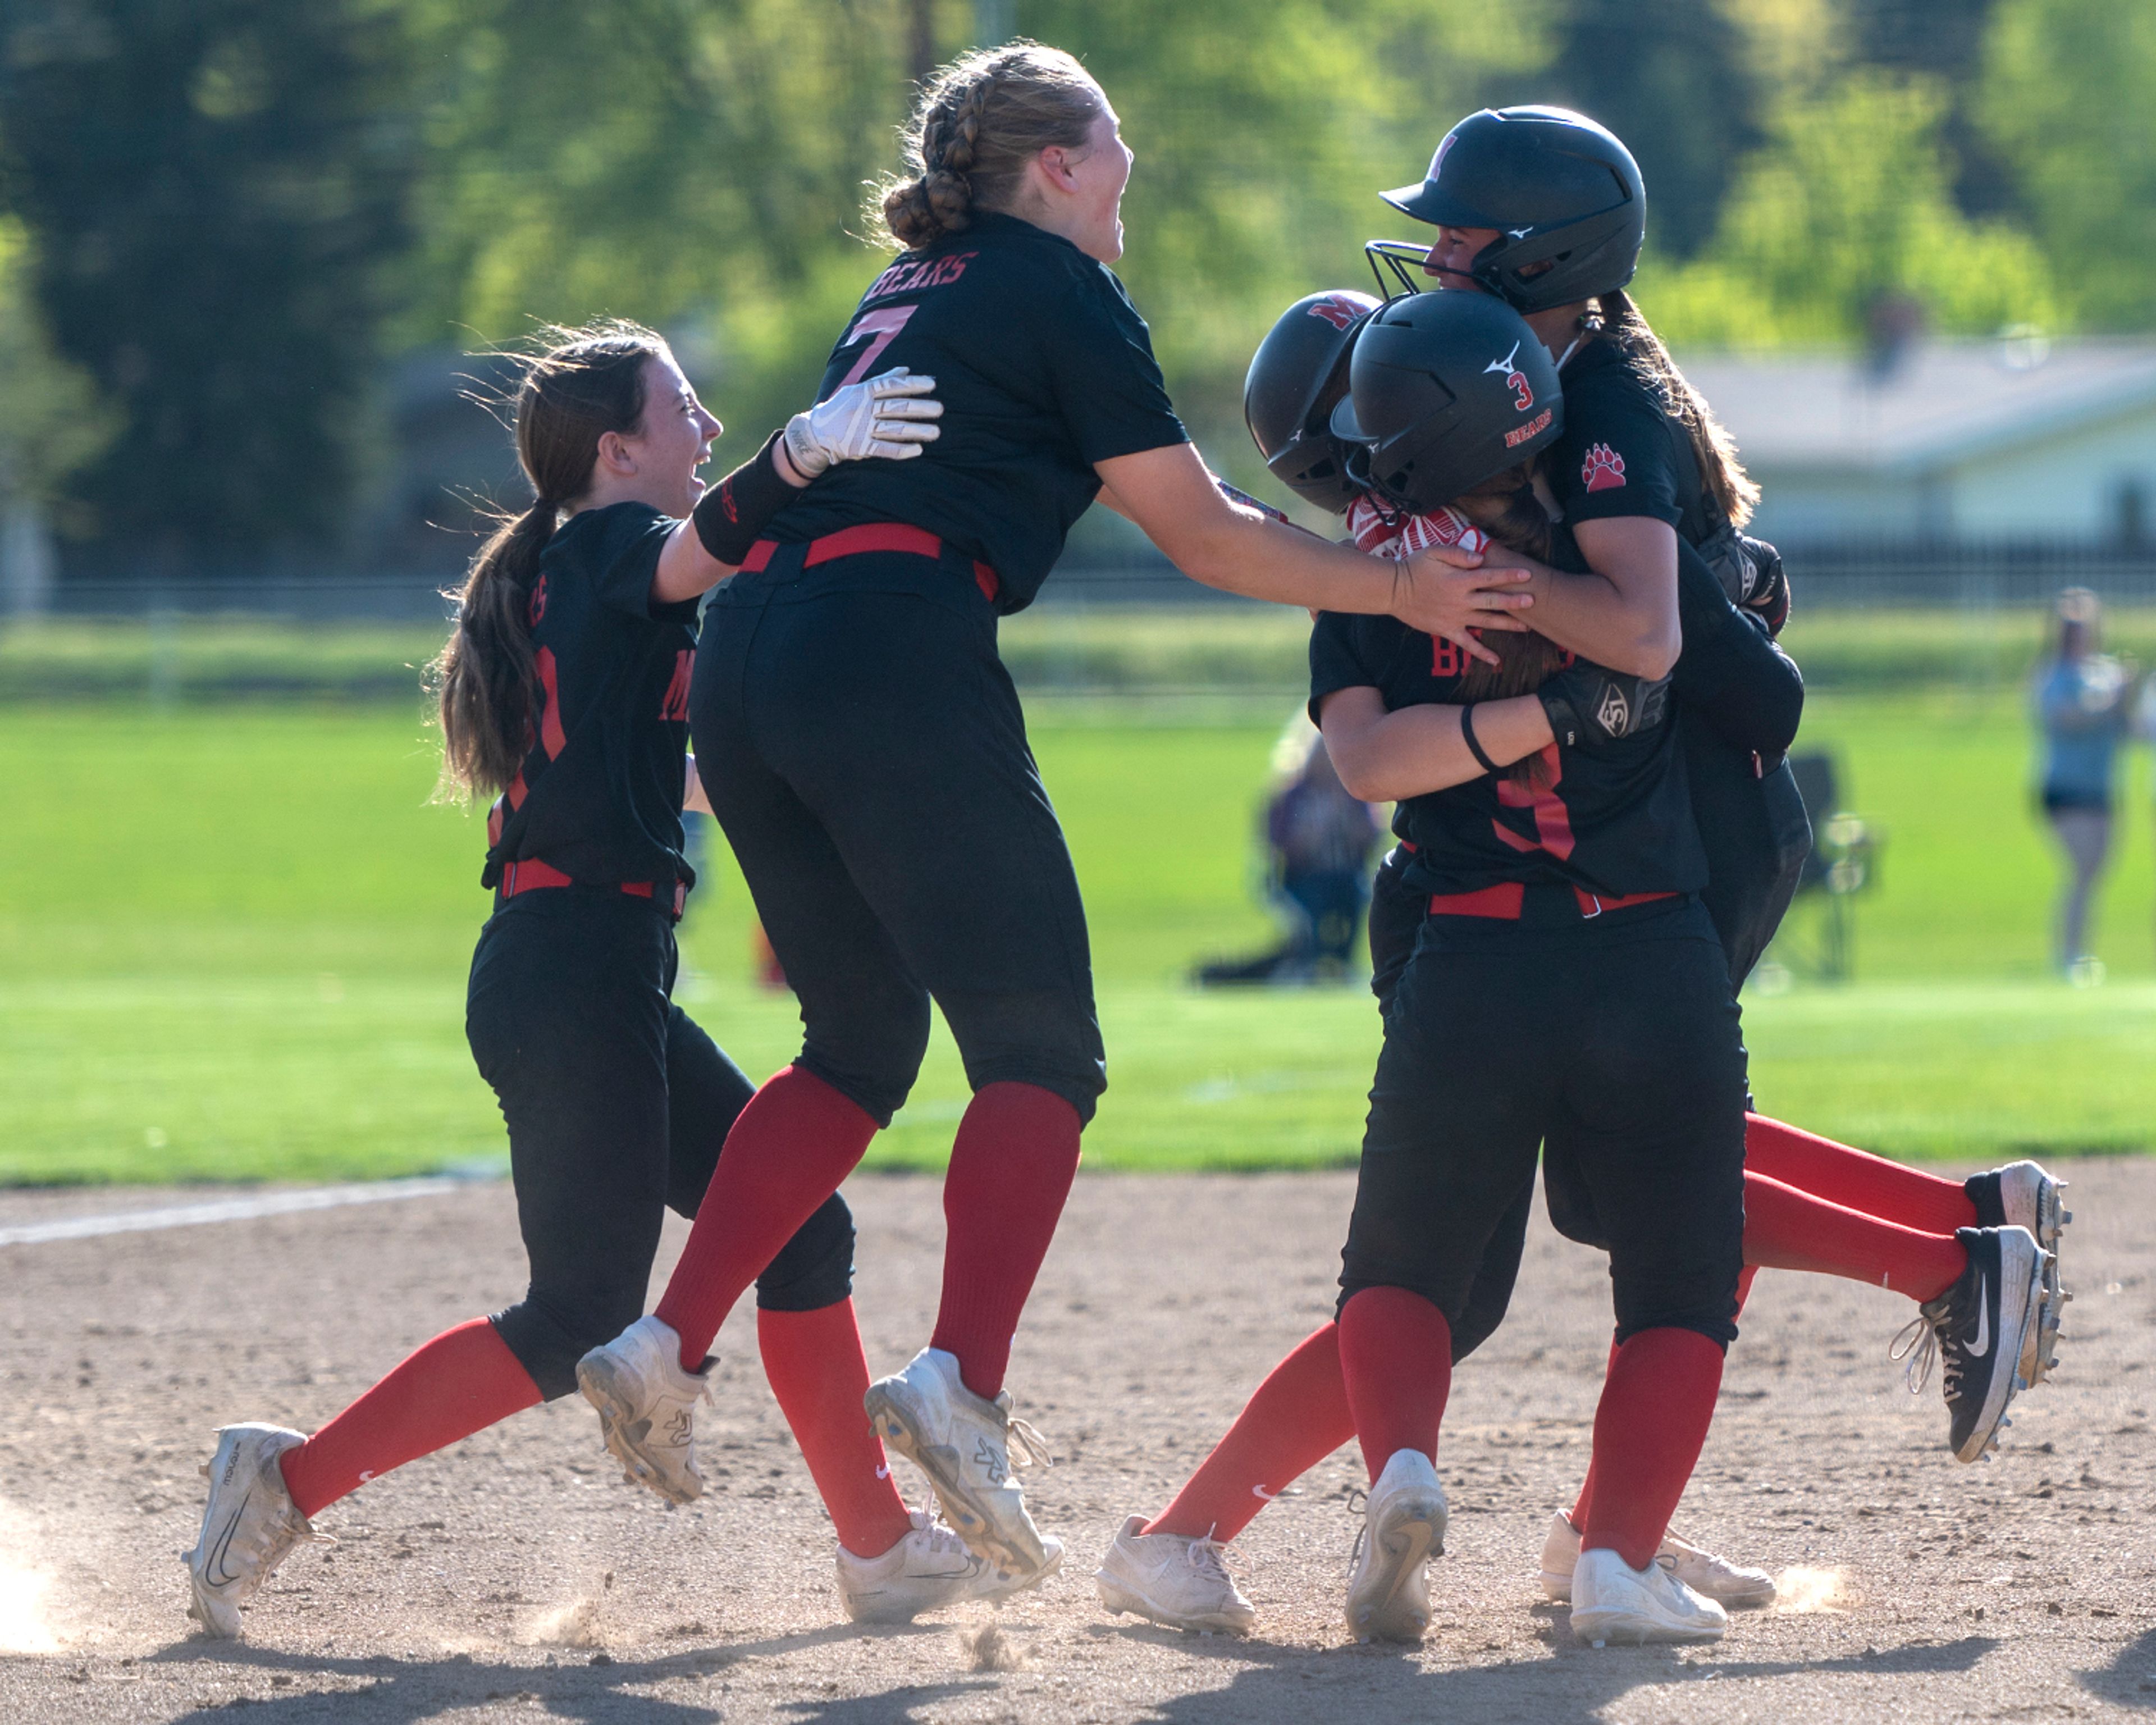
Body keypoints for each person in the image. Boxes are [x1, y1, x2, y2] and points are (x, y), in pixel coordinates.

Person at [569, 42, 1540, 1595]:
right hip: (892, 651)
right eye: (1111, 150)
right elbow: (1207, 538)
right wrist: (1400, 585)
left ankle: (662, 1344)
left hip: (751, 662)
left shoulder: (913, 289)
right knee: (1044, 1052)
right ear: (1057, 167)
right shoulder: (1056, 288)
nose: (1127, 177)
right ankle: (957, 1380)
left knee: (857, 1047)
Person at [1093, 290, 2056, 1646]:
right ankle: (1629, 1516)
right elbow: (1750, 680)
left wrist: (1679, 596)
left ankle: (1332, 1513)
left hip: (1462, 931)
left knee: (1452, 1262)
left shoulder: (1373, 581)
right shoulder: (1574, 550)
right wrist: (1713, 590)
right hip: (1635, 916)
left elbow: (1368, 760)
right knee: (1636, 1221)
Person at [181, 322, 1013, 1639]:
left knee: (804, 1228)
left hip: (590, 969)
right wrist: (805, 453)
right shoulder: (616, 543)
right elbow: (701, 548)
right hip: (569, 970)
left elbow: (662, 761)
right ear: (616, 449)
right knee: (577, 1309)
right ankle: (281, 1482)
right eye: (682, 407)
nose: (706, 426)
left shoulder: (575, 566)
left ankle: (876, 1545)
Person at [1194, 715, 1386, 985]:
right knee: (1314, 906)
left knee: (1355, 895)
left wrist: (1348, 820)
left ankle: (1342, 964)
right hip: (1302, 879)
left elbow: (1373, 836)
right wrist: (1313, 832)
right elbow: (1280, 848)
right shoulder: (1291, 796)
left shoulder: (1353, 793)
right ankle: (1309, 964)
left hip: (1346, 876)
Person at [2035, 587, 2133, 976]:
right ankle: (2068, 955)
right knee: (2081, 868)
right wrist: (2112, 703)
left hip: (2102, 786)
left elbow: (2127, 729)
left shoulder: (2106, 672)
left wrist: (2127, 699)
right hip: (2065, 786)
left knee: (2093, 874)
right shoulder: (2052, 675)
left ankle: (2081, 954)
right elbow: (2068, 720)